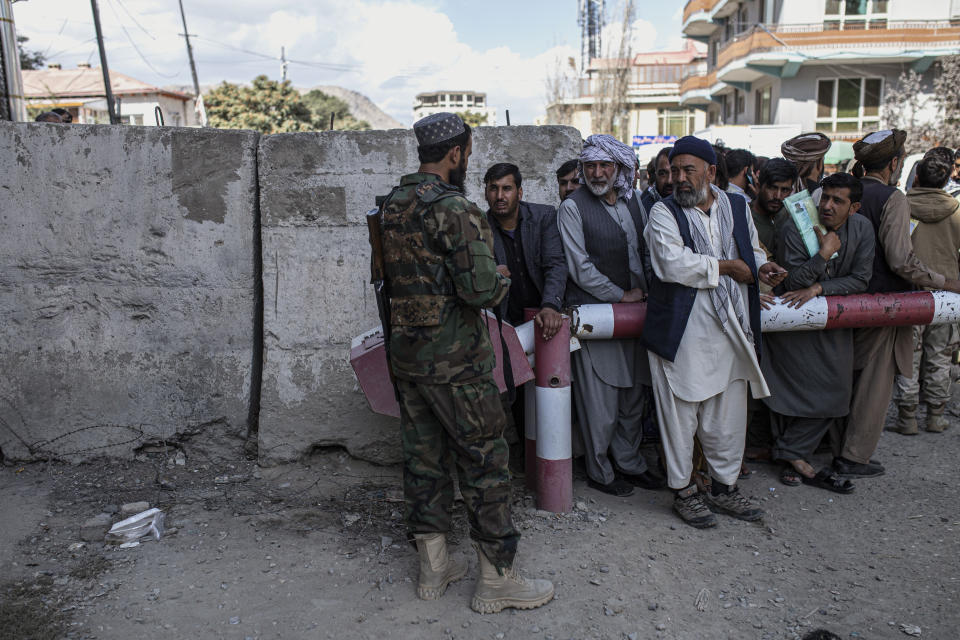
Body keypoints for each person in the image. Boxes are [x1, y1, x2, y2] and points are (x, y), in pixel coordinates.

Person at [376, 112, 553, 612]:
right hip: (457, 365)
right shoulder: (456, 208)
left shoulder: (392, 205)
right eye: (468, 153)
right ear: (456, 153)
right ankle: (498, 579)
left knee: (423, 461)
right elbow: (478, 290)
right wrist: (499, 277)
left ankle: (434, 568)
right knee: (484, 463)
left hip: (408, 359)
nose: (467, 160)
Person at [643, 135, 787, 528]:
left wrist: (759, 268)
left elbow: (750, 248)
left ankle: (724, 489)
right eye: (674, 171)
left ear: (710, 171)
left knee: (727, 415)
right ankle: (684, 491)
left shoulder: (737, 205)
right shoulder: (662, 213)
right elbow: (672, 264)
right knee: (680, 416)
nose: (679, 179)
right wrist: (727, 268)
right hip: (683, 332)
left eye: (688, 170)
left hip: (730, 329)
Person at [832, 130, 960, 478]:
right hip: (882, 304)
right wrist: (944, 283)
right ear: (894, 163)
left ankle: (840, 449)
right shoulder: (893, 198)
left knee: (851, 379)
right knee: (873, 385)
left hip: (845, 299)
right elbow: (901, 260)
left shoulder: (849, 192)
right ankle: (853, 456)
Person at [558, 134, 665, 497]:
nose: (597, 172)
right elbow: (580, 268)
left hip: (636, 317)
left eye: (605, 165)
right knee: (600, 402)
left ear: (619, 168)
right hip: (597, 317)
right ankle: (600, 471)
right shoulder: (573, 207)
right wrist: (621, 295)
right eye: (591, 166)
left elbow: (648, 252)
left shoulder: (635, 203)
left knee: (633, 397)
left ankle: (630, 463)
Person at [762, 173, 874, 493]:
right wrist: (822, 256)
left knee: (837, 392)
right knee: (787, 389)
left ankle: (789, 451)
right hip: (792, 324)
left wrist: (820, 287)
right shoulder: (793, 226)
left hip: (832, 326)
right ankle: (791, 455)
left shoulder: (863, 229)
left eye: (837, 201)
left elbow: (861, 280)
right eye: (825, 197)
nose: (827, 206)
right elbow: (791, 283)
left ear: (854, 208)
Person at [483, 162, 567, 462]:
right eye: (493, 189)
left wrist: (550, 305)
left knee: (552, 389)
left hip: (543, 315)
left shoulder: (543, 216)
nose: (500, 195)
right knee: (512, 391)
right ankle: (522, 461)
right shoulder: (479, 227)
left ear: (520, 191)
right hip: (504, 321)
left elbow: (555, 264)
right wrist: (489, 274)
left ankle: (554, 456)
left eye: (506, 188)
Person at [893, 155, 960, 434]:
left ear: (917, 176)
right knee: (940, 355)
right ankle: (935, 415)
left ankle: (907, 418)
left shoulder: (902, 207)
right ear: (947, 180)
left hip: (911, 291)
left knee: (910, 354)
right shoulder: (956, 210)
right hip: (949, 292)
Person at [751, 159, 799, 257]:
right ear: (759, 186)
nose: (777, 196)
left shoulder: (793, 218)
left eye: (784, 190)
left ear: (791, 191)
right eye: (772, 188)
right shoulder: (744, 218)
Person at [640, 147, 673, 213]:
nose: (669, 181)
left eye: (674, 172)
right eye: (663, 174)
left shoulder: (691, 204)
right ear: (656, 174)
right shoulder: (643, 208)